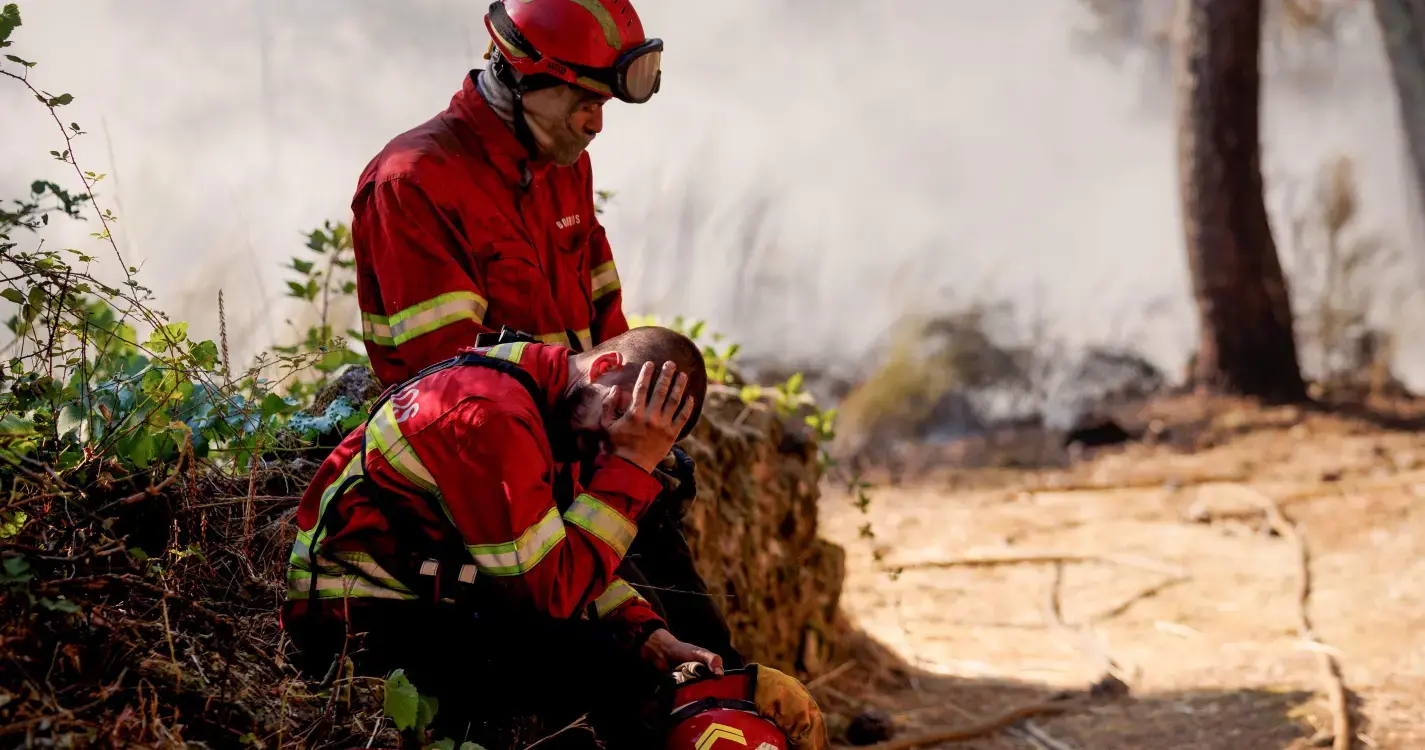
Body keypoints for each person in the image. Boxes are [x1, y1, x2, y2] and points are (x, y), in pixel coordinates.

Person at [278, 327, 827, 748]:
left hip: (439, 592)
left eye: (638, 436)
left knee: (637, 644)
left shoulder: (550, 397)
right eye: (618, 415)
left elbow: (565, 555)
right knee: (605, 673)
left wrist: (652, 637)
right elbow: (553, 593)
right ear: (605, 365)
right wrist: (632, 462)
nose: (611, 439)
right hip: (356, 622)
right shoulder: (492, 416)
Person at [351, 0, 664, 388]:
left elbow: (606, 321)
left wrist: (628, 395)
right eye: (587, 104)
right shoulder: (414, 181)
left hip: (573, 424)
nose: (597, 125)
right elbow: (451, 374)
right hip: (479, 434)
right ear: (526, 81)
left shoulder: (563, 163)